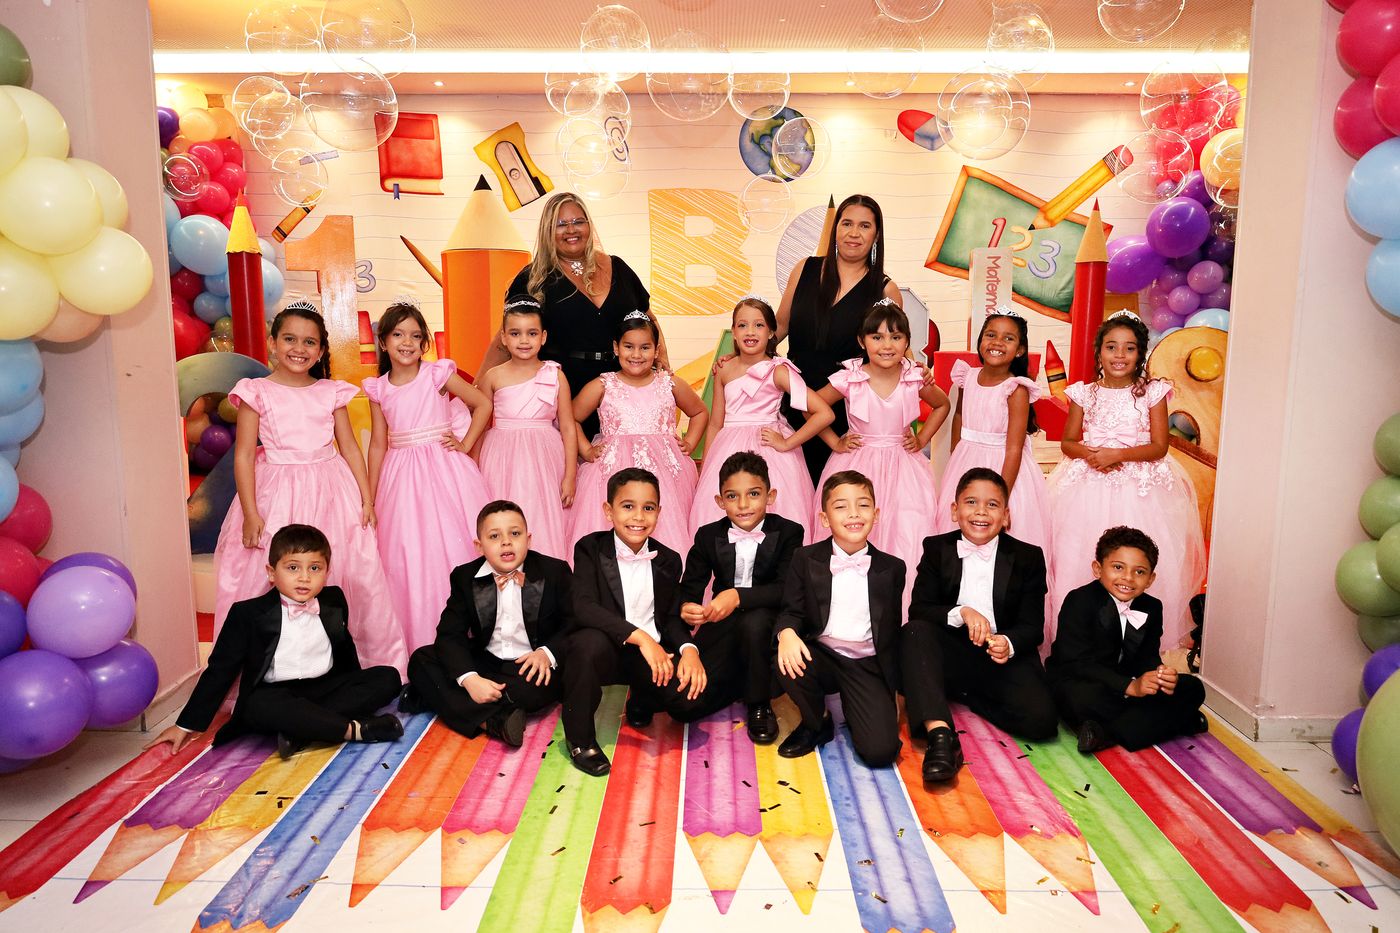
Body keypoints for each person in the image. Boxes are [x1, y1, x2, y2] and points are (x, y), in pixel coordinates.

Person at [212, 301, 407, 674]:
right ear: (272, 343)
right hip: (276, 493)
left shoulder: (330, 392)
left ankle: (355, 665)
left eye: (309, 342)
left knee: (349, 571)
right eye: (289, 339)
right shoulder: (256, 392)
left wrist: (366, 498)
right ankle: (268, 670)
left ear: (320, 350)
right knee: (267, 573)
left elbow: (350, 447)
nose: (299, 349)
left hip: (331, 490)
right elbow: (244, 456)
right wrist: (251, 512)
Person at [150, 524, 403, 760]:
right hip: (276, 695)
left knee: (388, 677)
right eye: (293, 568)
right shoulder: (247, 614)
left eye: (314, 568)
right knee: (257, 705)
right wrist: (185, 725)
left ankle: (301, 730)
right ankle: (352, 730)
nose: (304, 577)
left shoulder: (334, 599)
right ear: (271, 573)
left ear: (327, 572)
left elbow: (345, 648)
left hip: (324, 689)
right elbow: (220, 670)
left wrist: (355, 688)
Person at [1046, 313, 1207, 651]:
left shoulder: (1153, 392)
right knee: (1078, 555)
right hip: (1087, 485)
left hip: (1139, 488)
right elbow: (1068, 442)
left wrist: (1117, 455)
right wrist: (1094, 454)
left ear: (1140, 353)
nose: (1119, 355)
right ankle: (1079, 643)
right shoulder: (1083, 393)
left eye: (1129, 348)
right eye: (1111, 347)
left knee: (1136, 559)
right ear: (1099, 352)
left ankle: (1135, 647)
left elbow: (1159, 446)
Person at [562, 468, 724, 776]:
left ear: (659, 512)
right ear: (608, 510)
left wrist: (689, 650)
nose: (638, 516)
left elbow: (671, 617)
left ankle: (643, 697)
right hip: (607, 649)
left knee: (690, 701)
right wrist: (641, 637)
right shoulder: (590, 548)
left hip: (649, 655)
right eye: (628, 506)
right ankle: (580, 740)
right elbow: (583, 607)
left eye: (648, 508)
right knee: (585, 644)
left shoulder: (669, 559)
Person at [903, 468, 1059, 782]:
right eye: (971, 502)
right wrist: (962, 612)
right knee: (914, 632)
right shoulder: (936, 549)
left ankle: (970, 694)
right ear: (955, 510)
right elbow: (919, 609)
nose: (981, 512)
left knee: (1042, 722)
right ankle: (941, 736)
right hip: (951, 651)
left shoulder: (1028, 557)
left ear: (1006, 516)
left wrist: (1008, 643)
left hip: (999, 656)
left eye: (992, 505)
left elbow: (1032, 626)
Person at [483, 192, 669, 440]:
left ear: (589, 225)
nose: (571, 230)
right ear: (548, 230)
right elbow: (504, 338)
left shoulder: (619, 268)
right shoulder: (532, 279)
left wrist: (662, 359)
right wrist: (477, 391)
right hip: (561, 390)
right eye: (561, 224)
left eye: (578, 221)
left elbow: (649, 319)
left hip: (621, 389)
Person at [364, 302, 495, 652]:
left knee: (454, 544)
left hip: (444, 471)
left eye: (415, 336)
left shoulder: (436, 375)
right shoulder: (378, 389)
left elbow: (483, 404)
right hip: (400, 477)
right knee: (407, 552)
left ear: (424, 343)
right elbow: (377, 443)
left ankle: (472, 637)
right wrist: (370, 498)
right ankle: (420, 640)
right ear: (383, 341)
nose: (406, 342)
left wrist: (465, 444)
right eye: (398, 334)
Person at [810, 300, 950, 615]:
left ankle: (902, 612)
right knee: (854, 528)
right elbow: (811, 406)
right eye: (877, 337)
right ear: (862, 341)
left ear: (907, 342)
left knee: (908, 532)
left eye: (896, 337)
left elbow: (942, 405)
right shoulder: (850, 377)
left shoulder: (914, 377)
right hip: (857, 465)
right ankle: (849, 612)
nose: (887, 345)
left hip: (904, 469)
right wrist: (834, 441)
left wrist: (923, 438)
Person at [402, 501, 574, 747]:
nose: (506, 542)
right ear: (479, 546)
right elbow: (450, 634)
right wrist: (470, 679)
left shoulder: (554, 571)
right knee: (421, 659)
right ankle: (493, 720)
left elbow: (573, 622)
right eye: (494, 536)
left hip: (528, 665)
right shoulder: (465, 576)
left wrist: (547, 653)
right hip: (486, 660)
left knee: (532, 692)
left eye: (515, 533)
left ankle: (437, 697)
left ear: (528, 539)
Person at [773, 470, 904, 768]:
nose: (853, 513)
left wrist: (893, 692)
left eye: (863, 504)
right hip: (822, 654)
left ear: (876, 514)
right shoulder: (805, 558)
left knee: (880, 753)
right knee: (785, 656)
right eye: (841, 506)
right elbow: (791, 610)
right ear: (824, 518)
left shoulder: (893, 568)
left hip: (866, 663)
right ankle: (817, 720)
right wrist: (787, 633)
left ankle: (860, 708)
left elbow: (890, 634)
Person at [679, 451, 804, 745]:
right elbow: (689, 589)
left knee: (754, 622)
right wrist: (687, 607)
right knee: (681, 707)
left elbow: (786, 589)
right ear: (720, 501)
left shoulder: (789, 532)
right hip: (722, 625)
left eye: (754, 494)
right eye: (732, 496)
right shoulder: (707, 535)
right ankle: (740, 679)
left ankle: (758, 701)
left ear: (770, 496)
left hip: (767, 623)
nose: (744, 504)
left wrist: (737, 596)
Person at [1046, 526, 1208, 753]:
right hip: (1082, 679)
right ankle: (1177, 722)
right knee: (1080, 699)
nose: (1128, 578)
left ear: (1150, 579)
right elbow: (1077, 663)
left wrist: (1160, 675)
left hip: (1128, 684)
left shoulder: (1152, 607)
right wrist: (1129, 686)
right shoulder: (1079, 600)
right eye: (1118, 567)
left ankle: (1106, 733)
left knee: (1193, 687)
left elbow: (1148, 657)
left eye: (1139, 572)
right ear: (1098, 569)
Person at [777, 194, 903, 480]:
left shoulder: (885, 290)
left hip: (847, 417)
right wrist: (741, 357)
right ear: (835, 229)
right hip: (793, 400)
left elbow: (893, 347)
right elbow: (779, 326)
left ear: (876, 235)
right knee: (790, 490)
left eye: (864, 226)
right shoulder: (805, 269)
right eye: (847, 223)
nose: (853, 233)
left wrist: (917, 368)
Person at [691, 296, 834, 543]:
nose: (750, 331)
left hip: (769, 449)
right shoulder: (724, 369)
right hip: (727, 448)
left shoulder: (778, 370)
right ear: (734, 332)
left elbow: (824, 413)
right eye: (742, 325)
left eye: (759, 325)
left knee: (775, 513)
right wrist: (706, 467)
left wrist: (788, 443)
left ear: (771, 333)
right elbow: (715, 423)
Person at [569, 310, 707, 554]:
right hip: (612, 468)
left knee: (667, 523)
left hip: (666, 471)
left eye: (645, 348)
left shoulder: (669, 383)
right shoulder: (603, 385)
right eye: (629, 347)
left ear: (656, 350)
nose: (636, 355)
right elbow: (571, 418)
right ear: (616, 347)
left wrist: (690, 442)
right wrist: (586, 449)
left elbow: (699, 412)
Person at [932, 309, 1053, 560]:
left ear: (1019, 350)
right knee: (958, 520)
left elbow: (1014, 447)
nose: (997, 342)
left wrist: (1002, 493)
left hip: (1003, 464)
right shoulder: (968, 377)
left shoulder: (1015, 388)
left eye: (1008, 338)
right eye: (991, 335)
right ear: (980, 341)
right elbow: (959, 415)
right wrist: (956, 452)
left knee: (998, 526)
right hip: (966, 459)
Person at [476, 297, 577, 562]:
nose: (524, 340)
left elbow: (568, 427)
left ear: (543, 337)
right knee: (503, 511)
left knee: (542, 512)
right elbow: (480, 424)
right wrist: (474, 469)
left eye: (532, 333)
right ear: (503, 337)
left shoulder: (555, 375)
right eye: (515, 333)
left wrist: (570, 475)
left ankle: (544, 572)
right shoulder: (493, 376)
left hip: (545, 458)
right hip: (502, 457)